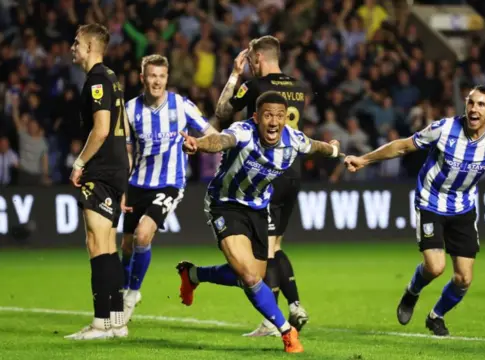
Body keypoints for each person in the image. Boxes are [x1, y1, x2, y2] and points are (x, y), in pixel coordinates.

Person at [344, 85, 485, 336]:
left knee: (464, 279)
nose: (474, 108)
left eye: (481, 104)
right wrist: (364, 160)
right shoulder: (445, 129)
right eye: (471, 103)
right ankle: (412, 291)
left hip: (463, 208)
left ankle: (435, 316)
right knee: (435, 267)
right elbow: (404, 146)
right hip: (431, 201)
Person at [176, 91, 341, 353]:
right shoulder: (243, 131)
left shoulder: (293, 139)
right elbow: (221, 140)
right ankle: (287, 332)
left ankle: (193, 274)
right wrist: (199, 144)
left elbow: (315, 145)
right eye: (267, 115)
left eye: (279, 116)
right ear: (256, 117)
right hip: (225, 204)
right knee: (251, 277)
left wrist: (333, 149)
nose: (273, 122)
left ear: (285, 119)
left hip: (258, 209)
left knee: (252, 277)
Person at [214, 35, 310, 336]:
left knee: (264, 253)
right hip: (292, 171)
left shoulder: (255, 87)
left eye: (252, 60)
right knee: (275, 247)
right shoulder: (298, 89)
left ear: (257, 58)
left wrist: (234, 74)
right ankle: (291, 305)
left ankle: (274, 318)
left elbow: (223, 112)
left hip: (262, 173)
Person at [120, 54, 217, 322]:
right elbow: (127, 150)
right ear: (142, 78)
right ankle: (124, 287)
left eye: (162, 76)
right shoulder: (130, 109)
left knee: (142, 235)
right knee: (127, 245)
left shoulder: (181, 105)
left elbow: (211, 133)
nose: (157, 81)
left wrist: (197, 144)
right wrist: (122, 184)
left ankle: (131, 293)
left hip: (169, 183)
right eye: (152, 76)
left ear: (167, 78)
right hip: (136, 183)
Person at [66, 23, 131, 340]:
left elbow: (102, 129)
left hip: (102, 170)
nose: (72, 47)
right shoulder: (113, 79)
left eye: (77, 43)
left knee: (96, 244)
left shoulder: (96, 80)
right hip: (117, 170)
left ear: (91, 46)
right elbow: (126, 133)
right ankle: (117, 321)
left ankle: (100, 323)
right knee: (108, 244)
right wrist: (126, 178)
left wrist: (80, 162)